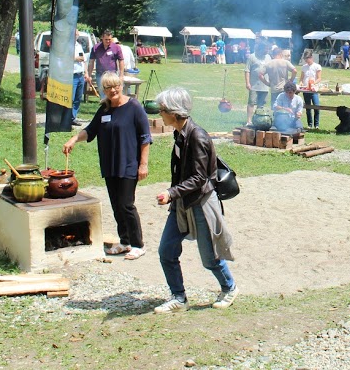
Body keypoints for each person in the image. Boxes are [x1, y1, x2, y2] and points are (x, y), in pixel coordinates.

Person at [153, 87, 237, 313]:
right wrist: (175, 195)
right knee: (166, 251)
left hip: (200, 201)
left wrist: (171, 193)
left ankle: (229, 288)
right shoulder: (179, 133)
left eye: (162, 110)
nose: (159, 113)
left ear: (173, 112)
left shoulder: (197, 136)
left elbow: (200, 178)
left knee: (210, 258)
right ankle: (179, 298)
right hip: (181, 202)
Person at [64, 72, 151, 261]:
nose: (113, 90)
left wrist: (143, 164)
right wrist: (74, 139)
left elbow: (145, 138)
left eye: (116, 86)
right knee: (116, 205)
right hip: (110, 164)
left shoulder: (134, 107)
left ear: (121, 86)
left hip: (128, 164)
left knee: (127, 205)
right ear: (104, 90)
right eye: (108, 87)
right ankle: (125, 241)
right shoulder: (104, 109)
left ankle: (138, 244)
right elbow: (90, 130)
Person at [88, 30, 125, 96]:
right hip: (100, 75)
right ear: (102, 38)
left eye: (109, 39)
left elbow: (121, 61)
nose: (108, 41)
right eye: (106, 39)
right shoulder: (96, 48)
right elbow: (91, 62)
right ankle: (105, 106)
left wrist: (121, 75)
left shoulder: (116, 47)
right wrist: (89, 75)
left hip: (112, 75)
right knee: (103, 95)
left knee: (113, 94)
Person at [245, 43, 270, 125]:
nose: (267, 51)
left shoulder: (268, 57)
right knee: (251, 103)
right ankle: (249, 121)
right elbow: (247, 71)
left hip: (265, 85)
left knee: (261, 105)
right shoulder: (252, 57)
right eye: (265, 49)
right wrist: (248, 83)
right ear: (260, 48)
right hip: (254, 85)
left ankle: (258, 120)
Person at [71, 31, 90, 125]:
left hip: (80, 75)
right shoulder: (66, 45)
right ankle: (66, 118)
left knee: (78, 98)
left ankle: (72, 118)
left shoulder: (78, 45)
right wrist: (75, 58)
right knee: (71, 98)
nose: (76, 35)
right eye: (75, 34)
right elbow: (63, 58)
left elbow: (83, 60)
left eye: (77, 34)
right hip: (71, 75)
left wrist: (86, 73)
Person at [300, 50, 322, 129]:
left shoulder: (317, 66)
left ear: (311, 58)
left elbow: (319, 78)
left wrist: (314, 83)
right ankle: (309, 124)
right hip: (306, 89)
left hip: (313, 89)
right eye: (305, 59)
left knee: (316, 106)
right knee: (308, 107)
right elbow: (301, 78)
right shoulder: (304, 67)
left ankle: (316, 124)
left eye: (307, 59)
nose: (306, 61)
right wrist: (301, 83)